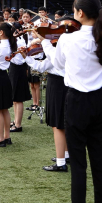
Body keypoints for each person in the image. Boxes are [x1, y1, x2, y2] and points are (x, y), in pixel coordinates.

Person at [52, 0, 102, 203]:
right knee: (99, 159)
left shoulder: (70, 39)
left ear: (79, 13)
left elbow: (57, 66)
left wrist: (48, 43)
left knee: (78, 164)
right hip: (100, 100)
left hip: (77, 101)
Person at [25, 31, 70, 172]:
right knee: (63, 123)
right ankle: (67, 155)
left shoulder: (56, 53)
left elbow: (40, 67)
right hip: (67, 85)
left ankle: (60, 161)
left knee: (57, 125)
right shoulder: (69, 50)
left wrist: (25, 57)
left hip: (57, 86)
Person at [8, 21, 32, 132]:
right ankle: (16, 120)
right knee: (15, 98)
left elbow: (18, 58)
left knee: (18, 99)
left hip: (18, 68)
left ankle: (18, 124)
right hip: (15, 68)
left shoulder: (19, 41)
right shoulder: (15, 40)